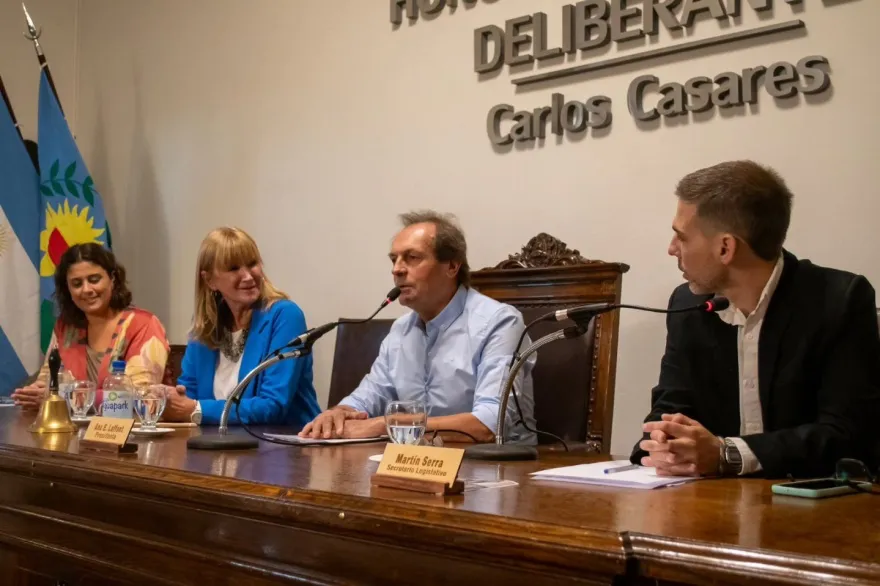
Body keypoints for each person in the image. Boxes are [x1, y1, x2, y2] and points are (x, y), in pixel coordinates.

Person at [632, 160, 880, 479]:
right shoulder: (688, 305)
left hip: (815, 508)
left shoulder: (839, 299)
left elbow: (848, 435)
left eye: (682, 237)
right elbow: (671, 408)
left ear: (726, 247)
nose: (671, 249)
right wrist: (661, 446)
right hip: (709, 507)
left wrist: (727, 454)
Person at [300, 210, 536, 443]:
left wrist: (387, 424)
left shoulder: (500, 322)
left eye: (412, 258)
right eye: (394, 260)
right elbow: (367, 398)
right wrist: (338, 413)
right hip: (419, 463)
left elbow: (491, 423)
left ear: (452, 266)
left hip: (498, 469)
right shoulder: (401, 330)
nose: (397, 269)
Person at [162, 227, 320, 426]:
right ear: (209, 280)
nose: (247, 276)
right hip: (217, 446)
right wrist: (167, 400)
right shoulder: (204, 327)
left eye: (252, 264)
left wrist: (196, 409)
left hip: (284, 446)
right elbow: (188, 395)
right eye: (234, 268)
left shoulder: (285, 315)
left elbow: (273, 405)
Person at [11, 243, 169, 410]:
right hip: (73, 430)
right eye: (77, 284)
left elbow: (139, 397)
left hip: (129, 431)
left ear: (112, 279)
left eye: (94, 280)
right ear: (68, 289)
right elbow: (48, 381)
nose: (86, 289)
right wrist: (33, 393)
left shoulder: (144, 325)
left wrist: (62, 397)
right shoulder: (66, 327)